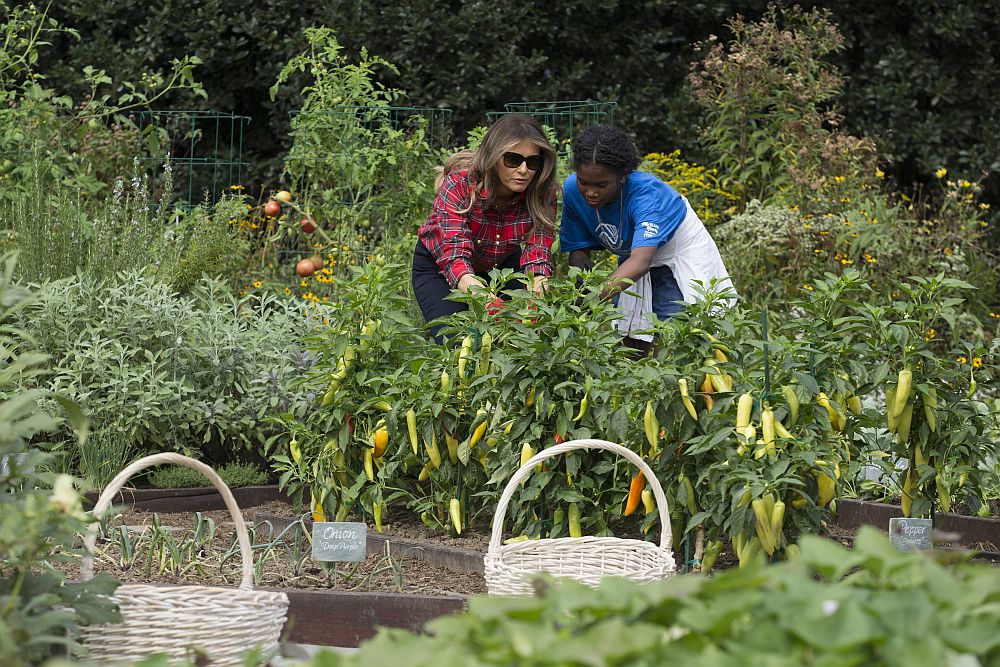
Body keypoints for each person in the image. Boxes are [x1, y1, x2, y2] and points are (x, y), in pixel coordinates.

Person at [560, 125, 733, 346]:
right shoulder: (573, 190)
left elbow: (641, 262)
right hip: (635, 250)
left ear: (623, 175)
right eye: (584, 182)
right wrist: (579, 295)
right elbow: (579, 253)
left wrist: (594, 298)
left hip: (676, 249)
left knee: (676, 332)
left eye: (601, 185)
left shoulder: (646, 196)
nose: (591, 192)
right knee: (630, 334)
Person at [413, 113, 558, 341]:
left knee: (519, 341)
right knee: (458, 340)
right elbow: (455, 258)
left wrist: (535, 302)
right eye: (512, 159)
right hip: (440, 265)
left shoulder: (543, 191)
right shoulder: (460, 184)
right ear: (494, 157)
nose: (523, 170)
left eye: (533, 162)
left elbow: (537, 256)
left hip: (501, 264)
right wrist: (491, 304)